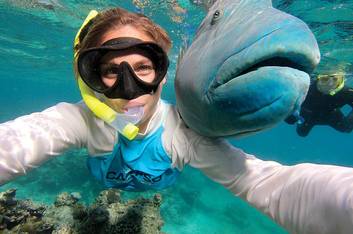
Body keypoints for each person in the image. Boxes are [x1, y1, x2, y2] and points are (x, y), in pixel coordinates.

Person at [1, 7, 353, 234]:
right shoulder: (79, 119)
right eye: (110, 71)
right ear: (89, 79)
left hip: (157, 189)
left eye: (143, 68)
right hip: (104, 183)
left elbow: (271, 184)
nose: (129, 88)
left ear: (162, 75)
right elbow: (18, 142)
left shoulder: (182, 135)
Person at [285, 72, 353, 137]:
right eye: (325, 79)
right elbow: (289, 98)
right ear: (318, 78)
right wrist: (291, 113)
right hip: (308, 115)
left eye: (335, 79)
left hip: (331, 115)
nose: (330, 84)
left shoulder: (347, 93)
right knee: (301, 133)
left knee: (347, 128)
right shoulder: (306, 86)